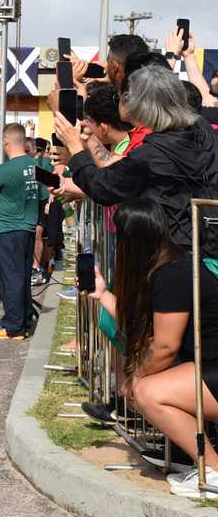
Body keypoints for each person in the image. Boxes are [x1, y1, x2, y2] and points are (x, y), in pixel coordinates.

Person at [87, 200, 218, 499]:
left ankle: (213, 471)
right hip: (208, 367)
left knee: (147, 391)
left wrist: (133, 379)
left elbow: (164, 346)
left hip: (212, 368)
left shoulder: (173, 274)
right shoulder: (170, 265)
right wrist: (103, 294)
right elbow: (146, 329)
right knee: (145, 387)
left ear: (132, 240)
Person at [59, 63, 218, 255]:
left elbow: (104, 188)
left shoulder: (153, 154)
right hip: (202, 245)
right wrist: (91, 140)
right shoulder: (198, 127)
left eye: (124, 96)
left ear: (142, 105)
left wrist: (75, 147)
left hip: (175, 255)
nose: (120, 101)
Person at [0, 123, 38, 340]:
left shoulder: (7, 168)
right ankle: (25, 318)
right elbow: (43, 194)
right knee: (22, 276)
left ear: (7, 142)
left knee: (9, 278)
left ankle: (13, 327)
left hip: (8, 229)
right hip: (27, 227)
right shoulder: (33, 164)